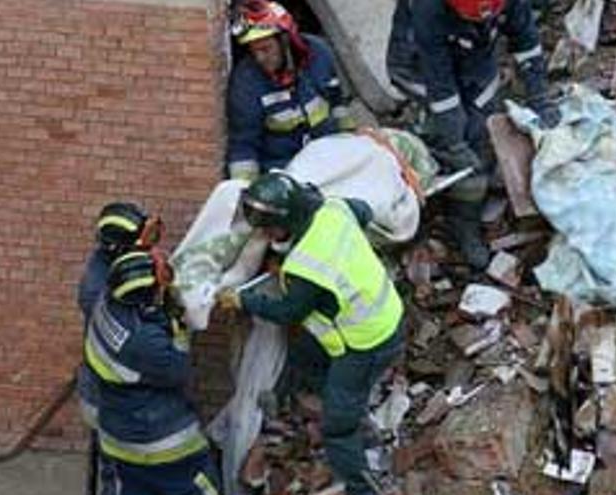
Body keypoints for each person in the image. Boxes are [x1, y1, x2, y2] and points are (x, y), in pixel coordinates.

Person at [216, 172, 405, 495]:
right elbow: (364, 211)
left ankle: (363, 485)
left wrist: (242, 299)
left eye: (270, 227)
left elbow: (287, 312)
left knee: (337, 427)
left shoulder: (306, 267)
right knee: (305, 352)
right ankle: (325, 400)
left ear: (288, 218)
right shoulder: (335, 210)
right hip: (386, 310)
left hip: (365, 342)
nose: (267, 234)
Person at [386, 0, 560, 268]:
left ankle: (479, 181)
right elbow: (440, 85)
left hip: (475, 54)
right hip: (418, 65)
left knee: (483, 122)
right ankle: (462, 221)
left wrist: (540, 96)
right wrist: (454, 141)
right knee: (453, 133)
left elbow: (526, 42)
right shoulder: (427, 9)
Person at [84, 248, 221, 495]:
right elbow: (180, 369)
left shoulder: (108, 302)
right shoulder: (145, 343)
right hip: (161, 445)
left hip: (118, 436)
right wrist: (179, 326)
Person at [76, 202, 163, 494]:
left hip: (108, 395)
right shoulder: (99, 290)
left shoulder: (115, 267)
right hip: (105, 400)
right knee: (117, 471)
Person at [225, 0, 354, 182]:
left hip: (328, 161)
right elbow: (244, 146)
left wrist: (351, 145)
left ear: (286, 40)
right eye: (253, 52)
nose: (260, 58)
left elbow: (338, 105)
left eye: (265, 49)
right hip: (283, 174)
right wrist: (245, 190)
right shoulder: (246, 81)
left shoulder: (320, 54)